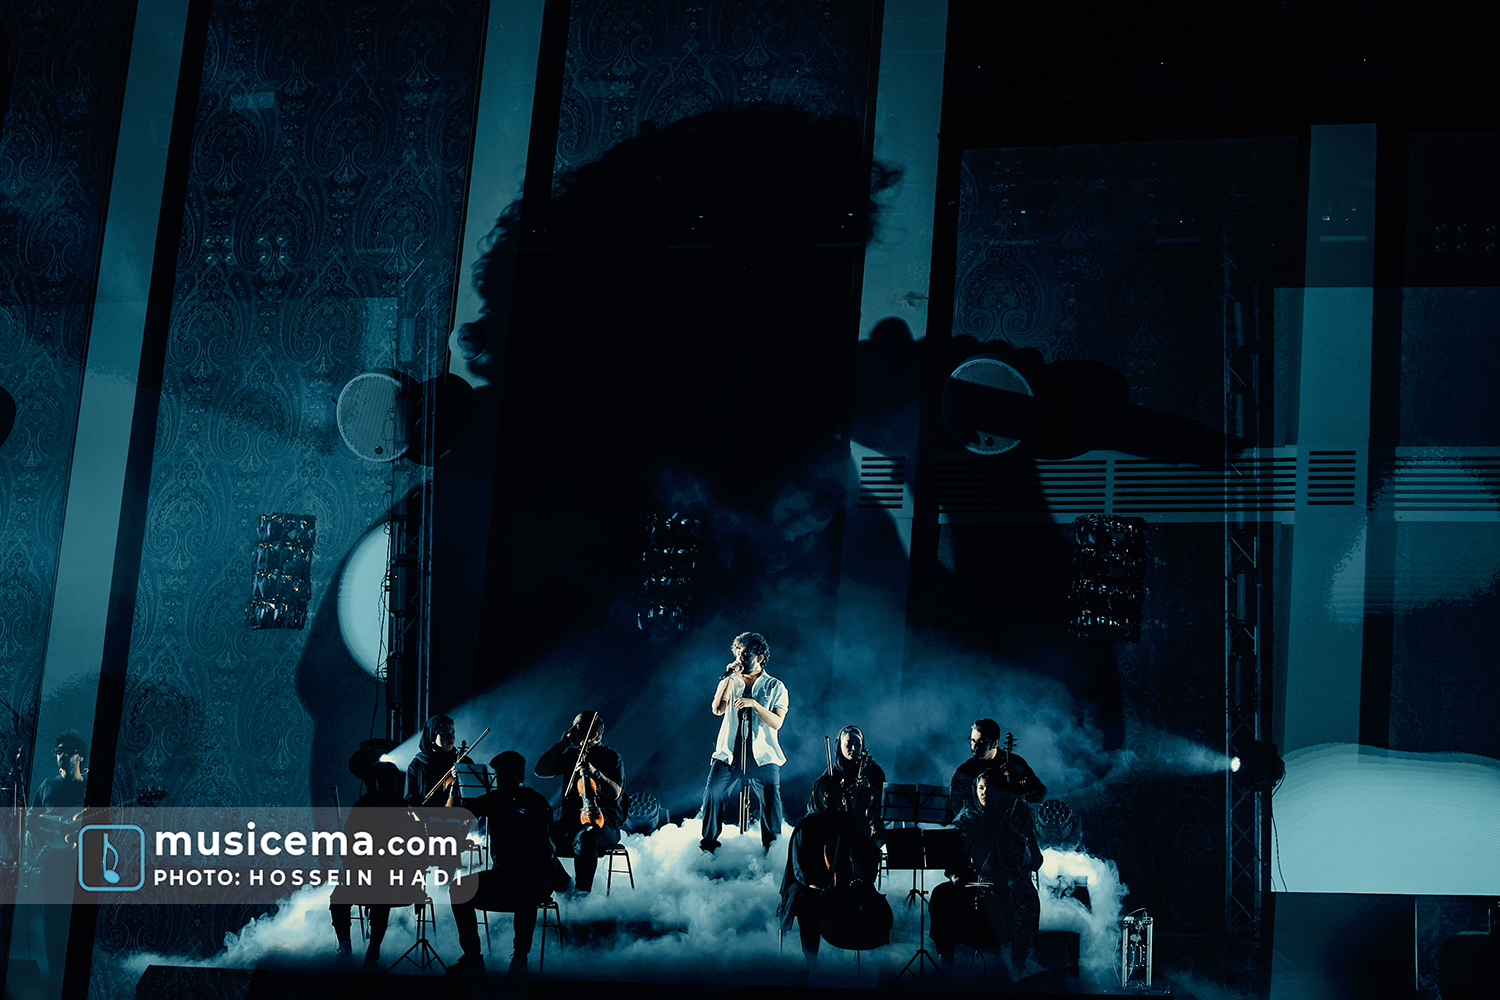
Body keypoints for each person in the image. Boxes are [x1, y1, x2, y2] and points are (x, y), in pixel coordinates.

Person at [448, 751, 556, 976]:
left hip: (536, 876)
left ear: (519, 775)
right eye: (499, 777)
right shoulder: (494, 799)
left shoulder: (534, 800)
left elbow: (550, 840)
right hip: (503, 875)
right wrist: (455, 793)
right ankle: (473, 957)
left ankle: (520, 958)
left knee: (524, 888)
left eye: (507, 776)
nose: (502, 782)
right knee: (459, 889)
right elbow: (464, 813)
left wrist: (533, 820)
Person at [930, 767, 1045, 978]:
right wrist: (955, 876)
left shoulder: (1014, 816)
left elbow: (1036, 861)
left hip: (1007, 884)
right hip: (970, 882)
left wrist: (1020, 839)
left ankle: (1021, 964)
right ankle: (946, 963)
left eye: (990, 788)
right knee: (940, 895)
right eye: (981, 788)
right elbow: (951, 859)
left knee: (1027, 900)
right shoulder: (966, 818)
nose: (985, 792)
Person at [700, 631, 789, 853]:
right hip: (729, 753)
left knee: (771, 797)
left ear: (760, 656)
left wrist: (755, 705)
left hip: (762, 756)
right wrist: (727, 678)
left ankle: (772, 851)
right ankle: (708, 847)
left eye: (746, 653)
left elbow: (777, 722)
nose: (741, 657)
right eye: (738, 652)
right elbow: (717, 709)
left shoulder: (775, 686)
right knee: (712, 793)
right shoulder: (732, 681)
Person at [777, 774, 881, 962]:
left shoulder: (844, 822)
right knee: (810, 902)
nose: (834, 799)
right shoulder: (807, 826)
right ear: (819, 796)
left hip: (840, 882)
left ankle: (869, 959)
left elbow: (865, 852)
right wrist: (823, 886)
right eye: (828, 794)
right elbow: (802, 873)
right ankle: (811, 960)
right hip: (807, 885)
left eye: (838, 795)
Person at [329, 761, 419, 971]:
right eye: (384, 781)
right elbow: (348, 843)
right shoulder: (361, 806)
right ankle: (345, 950)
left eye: (394, 781)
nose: (390, 785)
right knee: (338, 899)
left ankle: (373, 952)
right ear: (373, 782)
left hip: (392, 874)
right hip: (363, 870)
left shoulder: (403, 809)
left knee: (381, 894)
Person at [28, 732, 103, 981]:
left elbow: (104, 828)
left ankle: (78, 979)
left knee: (80, 923)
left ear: (80, 756)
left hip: (81, 866)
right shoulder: (47, 785)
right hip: (52, 864)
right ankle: (55, 979)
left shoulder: (91, 789)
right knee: (53, 922)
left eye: (68, 750)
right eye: (59, 750)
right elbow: (30, 821)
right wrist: (49, 833)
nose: (62, 754)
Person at [534, 711, 625, 895]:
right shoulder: (571, 755)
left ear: (594, 734)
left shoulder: (611, 757)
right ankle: (564, 885)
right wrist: (562, 744)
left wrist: (595, 773)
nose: (571, 731)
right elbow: (541, 771)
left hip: (605, 824)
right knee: (535, 837)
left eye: (577, 727)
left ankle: (582, 895)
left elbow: (615, 793)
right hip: (571, 823)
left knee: (585, 837)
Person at [948, 718, 1045, 822]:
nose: (974, 746)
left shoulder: (1015, 763)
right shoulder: (965, 771)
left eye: (981, 742)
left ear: (995, 743)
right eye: (972, 740)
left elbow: (1039, 793)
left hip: (1009, 824)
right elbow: (954, 805)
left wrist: (1020, 783)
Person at [828, 725, 886, 840]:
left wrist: (870, 789)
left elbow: (884, 800)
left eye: (857, 744)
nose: (854, 748)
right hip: (840, 830)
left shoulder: (874, 770)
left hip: (870, 830)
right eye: (849, 743)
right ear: (839, 746)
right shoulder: (832, 773)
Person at [407, 715, 463, 807]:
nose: (451, 737)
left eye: (453, 732)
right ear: (432, 736)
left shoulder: (461, 762)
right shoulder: (417, 765)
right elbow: (410, 798)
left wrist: (462, 777)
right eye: (444, 733)